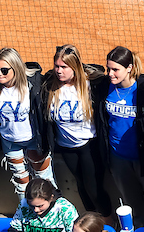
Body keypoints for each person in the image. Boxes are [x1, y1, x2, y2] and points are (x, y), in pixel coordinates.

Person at [44, 45, 112, 218]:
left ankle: (107, 221)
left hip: (89, 146)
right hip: (66, 147)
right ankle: (91, 220)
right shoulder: (49, 87)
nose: (59, 71)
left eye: (64, 67)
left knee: (93, 188)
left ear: (74, 68)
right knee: (81, 185)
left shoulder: (92, 86)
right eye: (57, 66)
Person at [92, 46, 144, 227]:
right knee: (134, 207)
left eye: (115, 69)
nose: (110, 74)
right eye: (108, 68)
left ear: (129, 68)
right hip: (118, 158)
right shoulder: (104, 87)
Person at [0, 47, 53, 200]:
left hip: (34, 140)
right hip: (9, 141)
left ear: (16, 68)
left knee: (44, 181)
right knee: (21, 183)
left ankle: (54, 216)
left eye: (4, 70)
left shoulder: (32, 85)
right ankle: (26, 214)